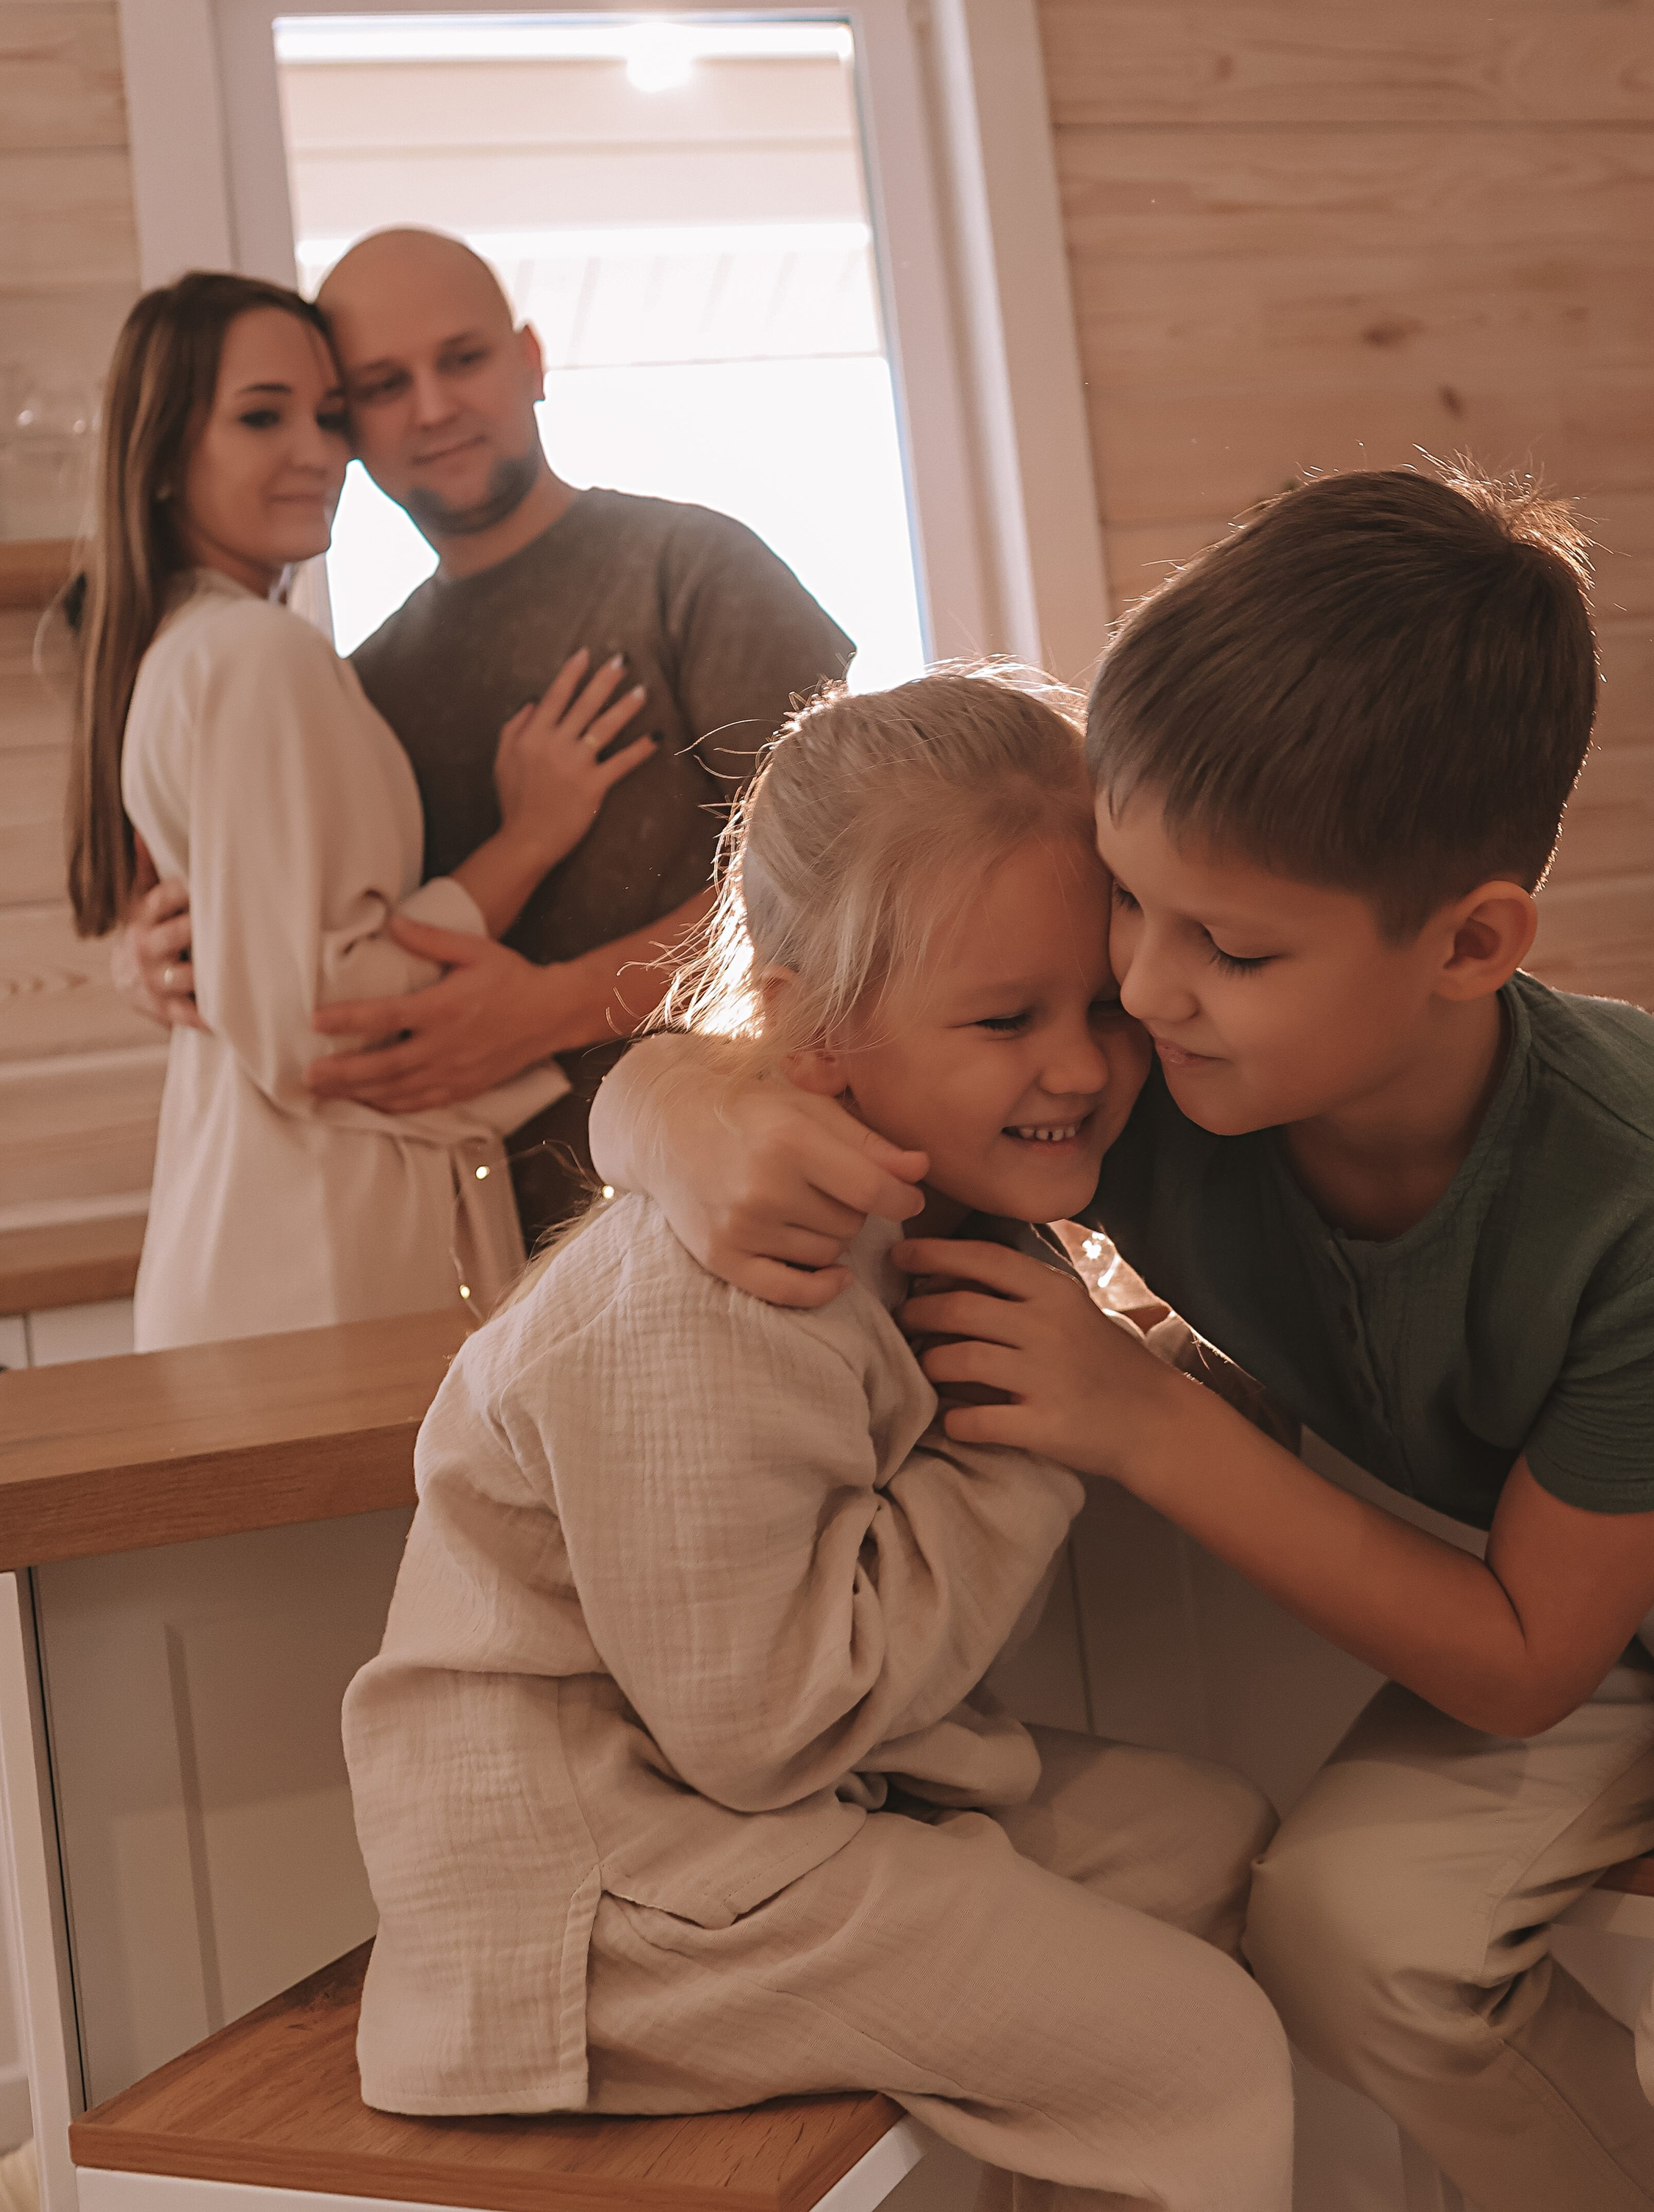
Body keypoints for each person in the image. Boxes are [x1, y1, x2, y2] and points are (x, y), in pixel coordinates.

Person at [597, 469, 1654, 2212]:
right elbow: (837, 1049)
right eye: (1130, 900)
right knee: (1342, 1935)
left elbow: (1517, 1666)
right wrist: (663, 1108)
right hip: (1589, 1587)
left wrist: (1143, 1419)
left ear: (1470, 942)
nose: (1138, 987)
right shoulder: (1152, 1082)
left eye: (1230, 945)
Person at [342, 667, 1293, 2212]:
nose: (1077, 1066)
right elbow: (768, 1723)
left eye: (1099, 1007)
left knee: (1209, 1846)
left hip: (756, 1829)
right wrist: (1027, 1439)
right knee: (1200, 2058)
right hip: (599, 1909)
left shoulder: (932, 1190)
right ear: (811, 1028)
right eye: (1005, 1019)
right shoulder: (716, 1292)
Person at [118, 226, 853, 1244]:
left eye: (462, 360)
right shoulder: (357, 685)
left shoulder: (696, 569)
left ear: (532, 361)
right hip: (487, 1249)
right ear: (352, 427)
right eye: (381, 385)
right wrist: (163, 961)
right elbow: (332, 967)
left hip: (753, 1204)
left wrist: (558, 1006)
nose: (432, 407)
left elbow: (847, 880)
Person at [68, 272, 657, 1349]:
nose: (320, 450)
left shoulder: (197, 650)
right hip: (319, 1267)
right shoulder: (255, 655)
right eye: (262, 416)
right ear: (159, 455)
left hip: (279, 1245)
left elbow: (269, 975)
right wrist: (526, 842)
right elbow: (321, 1024)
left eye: (331, 415)